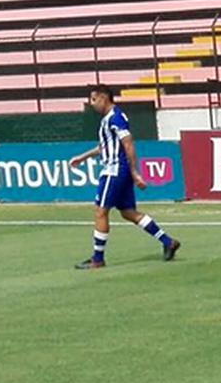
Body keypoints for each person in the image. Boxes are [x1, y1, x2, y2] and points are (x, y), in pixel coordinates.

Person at [69, 86, 181, 269]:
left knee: (100, 211)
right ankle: (168, 241)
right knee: (128, 212)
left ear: (104, 98)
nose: (92, 104)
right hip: (121, 171)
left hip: (115, 171)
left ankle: (98, 259)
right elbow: (104, 147)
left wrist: (135, 172)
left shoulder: (116, 118)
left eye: (94, 99)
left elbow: (128, 144)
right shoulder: (109, 119)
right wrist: (82, 157)